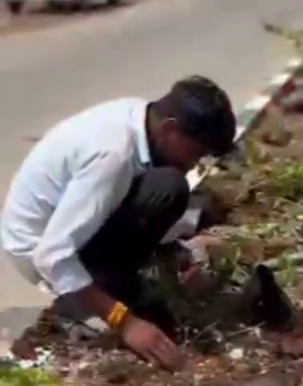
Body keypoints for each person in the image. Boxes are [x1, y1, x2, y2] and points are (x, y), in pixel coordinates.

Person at [1, 75, 236, 370]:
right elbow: (52, 256)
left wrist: (179, 251)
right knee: (169, 186)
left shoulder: (143, 118)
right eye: (194, 153)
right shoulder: (113, 155)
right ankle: (78, 303)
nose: (193, 164)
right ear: (170, 128)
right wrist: (124, 322)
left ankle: (113, 282)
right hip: (40, 250)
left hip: (62, 232)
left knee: (168, 187)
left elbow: (127, 200)